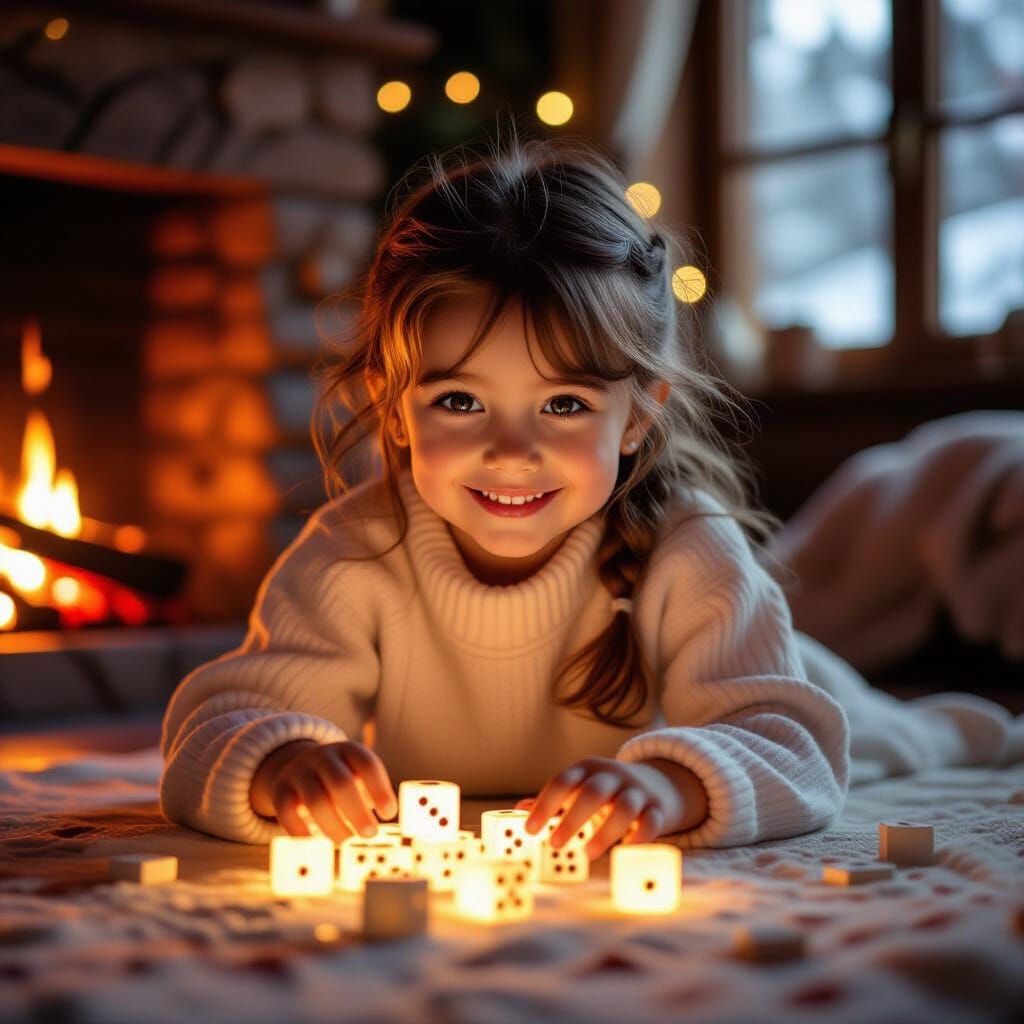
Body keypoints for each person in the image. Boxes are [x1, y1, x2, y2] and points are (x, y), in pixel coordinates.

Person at [159, 126, 1012, 855]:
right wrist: (280, 762)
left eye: (564, 404)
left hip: (779, 680)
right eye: (460, 402)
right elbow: (214, 725)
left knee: (887, 735)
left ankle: (953, 722)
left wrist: (670, 786)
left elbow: (796, 748)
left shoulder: (687, 550)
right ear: (393, 405)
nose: (511, 453)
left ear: (638, 416)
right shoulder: (353, 553)